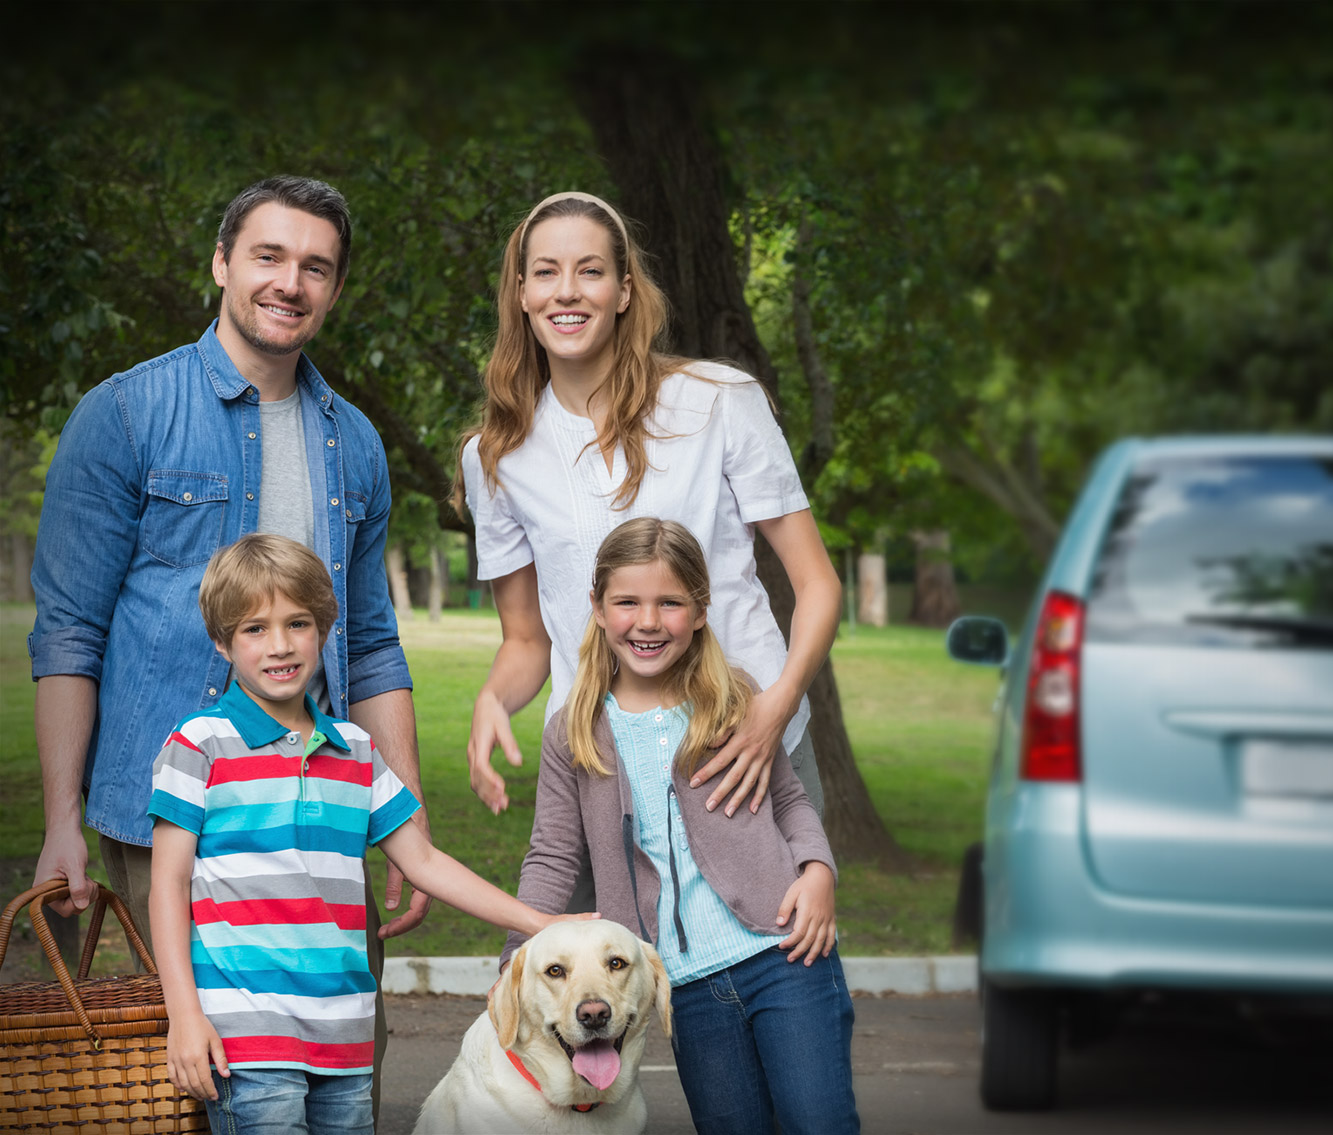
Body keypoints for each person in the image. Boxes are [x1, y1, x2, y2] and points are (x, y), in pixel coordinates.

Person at [29, 175, 430, 1109]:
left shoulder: (357, 443)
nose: (291, 281)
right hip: (167, 815)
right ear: (221, 261)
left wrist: (403, 815)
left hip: (321, 814)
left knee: (339, 1082)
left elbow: (370, 641)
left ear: (333, 288)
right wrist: (60, 819)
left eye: (316, 266)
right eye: (269, 255)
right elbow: (70, 634)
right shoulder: (124, 413)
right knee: (190, 1084)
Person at [151, 535, 592, 1134]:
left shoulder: (355, 750)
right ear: (221, 641)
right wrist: (183, 1014)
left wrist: (544, 924)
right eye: (255, 629)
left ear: (325, 628)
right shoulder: (198, 744)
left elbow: (426, 861)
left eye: (297, 623)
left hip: (346, 1038)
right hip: (245, 1037)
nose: (279, 645)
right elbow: (168, 888)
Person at [457, 191, 841, 824]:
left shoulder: (720, 400)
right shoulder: (495, 455)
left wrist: (778, 705)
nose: (568, 291)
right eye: (547, 272)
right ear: (521, 293)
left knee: (783, 924)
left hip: (742, 745)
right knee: (593, 928)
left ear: (625, 290)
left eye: (591, 271)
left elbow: (817, 583)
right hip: (601, 766)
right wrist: (492, 699)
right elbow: (526, 639)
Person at [501, 518, 857, 1134]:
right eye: (627, 602)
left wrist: (818, 871)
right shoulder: (572, 732)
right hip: (683, 991)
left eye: (670, 602)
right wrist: (514, 961)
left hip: (785, 954)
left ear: (699, 610)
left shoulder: (733, 701)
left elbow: (790, 802)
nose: (648, 621)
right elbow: (553, 857)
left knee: (817, 1122)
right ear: (597, 607)